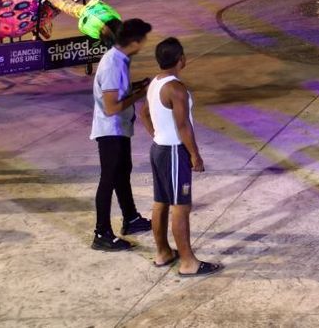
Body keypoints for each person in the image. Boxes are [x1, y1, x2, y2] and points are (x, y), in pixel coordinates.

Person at [143, 37, 221, 276]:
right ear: (181, 59)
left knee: (160, 202)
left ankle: (163, 252)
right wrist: (195, 155)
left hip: (158, 149)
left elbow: (144, 112)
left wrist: (156, 133)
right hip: (174, 152)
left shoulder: (155, 83)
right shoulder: (176, 88)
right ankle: (188, 262)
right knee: (181, 207)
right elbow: (183, 125)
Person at [90, 18, 154, 251]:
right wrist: (141, 94)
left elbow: (117, 92)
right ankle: (101, 233)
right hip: (111, 131)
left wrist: (136, 86)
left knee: (122, 173)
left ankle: (131, 218)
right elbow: (111, 107)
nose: (144, 44)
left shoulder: (120, 60)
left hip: (120, 129)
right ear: (134, 42)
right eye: (143, 40)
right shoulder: (112, 64)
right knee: (108, 179)